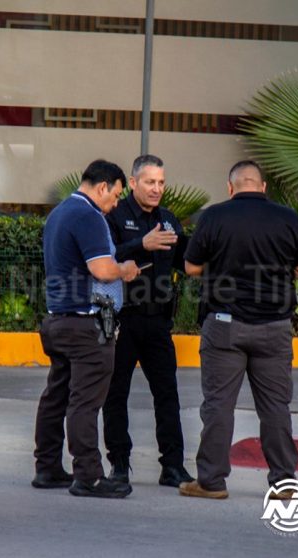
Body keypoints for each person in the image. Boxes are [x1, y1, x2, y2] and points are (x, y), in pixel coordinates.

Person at [178, 160, 298, 500]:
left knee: (218, 405)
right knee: (275, 407)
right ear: (263, 187)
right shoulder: (287, 217)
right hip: (275, 327)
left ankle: (211, 482)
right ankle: (284, 483)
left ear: (230, 187)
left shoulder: (213, 217)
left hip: (224, 326)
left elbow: (192, 267)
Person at [32, 159, 141, 499]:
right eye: (116, 194)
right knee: (85, 402)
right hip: (85, 324)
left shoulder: (59, 213)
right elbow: (103, 269)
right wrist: (124, 269)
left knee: (56, 396)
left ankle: (47, 468)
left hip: (57, 319)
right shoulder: (89, 216)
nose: (116, 203)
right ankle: (89, 476)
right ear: (102, 187)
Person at [103, 154, 194, 488]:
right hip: (123, 321)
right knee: (116, 395)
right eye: (150, 182)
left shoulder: (169, 221)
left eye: (161, 182)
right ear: (132, 183)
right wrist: (141, 244)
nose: (157, 189)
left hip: (158, 323)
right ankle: (120, 464)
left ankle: (172, 466)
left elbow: (187, 262)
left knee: (167, 395)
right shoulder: (114, 215)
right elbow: (106, 257)